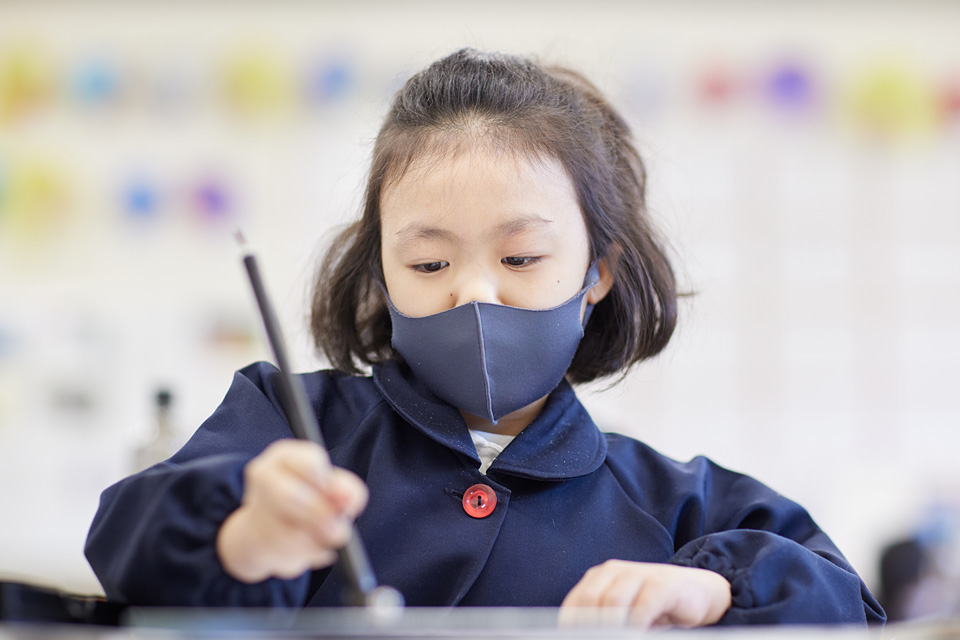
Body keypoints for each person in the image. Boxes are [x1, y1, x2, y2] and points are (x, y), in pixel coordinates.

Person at [85, 48, 885, 628]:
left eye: (521, 258)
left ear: (597, 274)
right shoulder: (289, 425)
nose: (474, 293)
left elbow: (848, 604)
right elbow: (126, 543)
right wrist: (245, 537)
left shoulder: (675, 505)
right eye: (429, 262)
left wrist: (714, 593)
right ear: (381, 272)